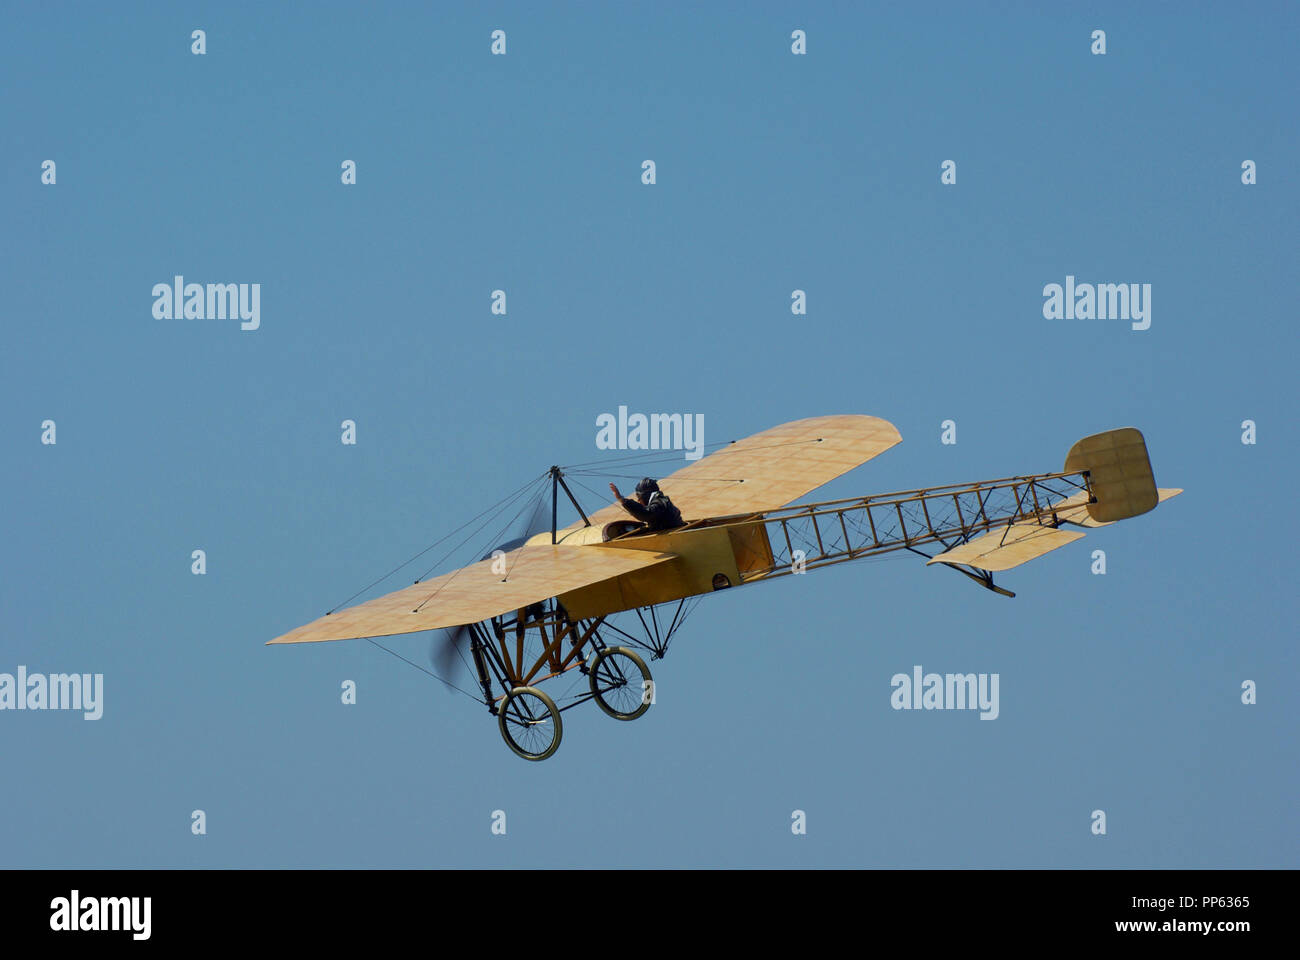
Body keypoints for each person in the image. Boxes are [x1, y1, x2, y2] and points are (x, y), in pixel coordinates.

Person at [608, 477, 684, 532]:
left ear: (645, 496)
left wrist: (622, 500)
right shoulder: (662, 501)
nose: (638, 500)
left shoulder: (660, 503)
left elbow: (647, 513)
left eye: (638, 496)